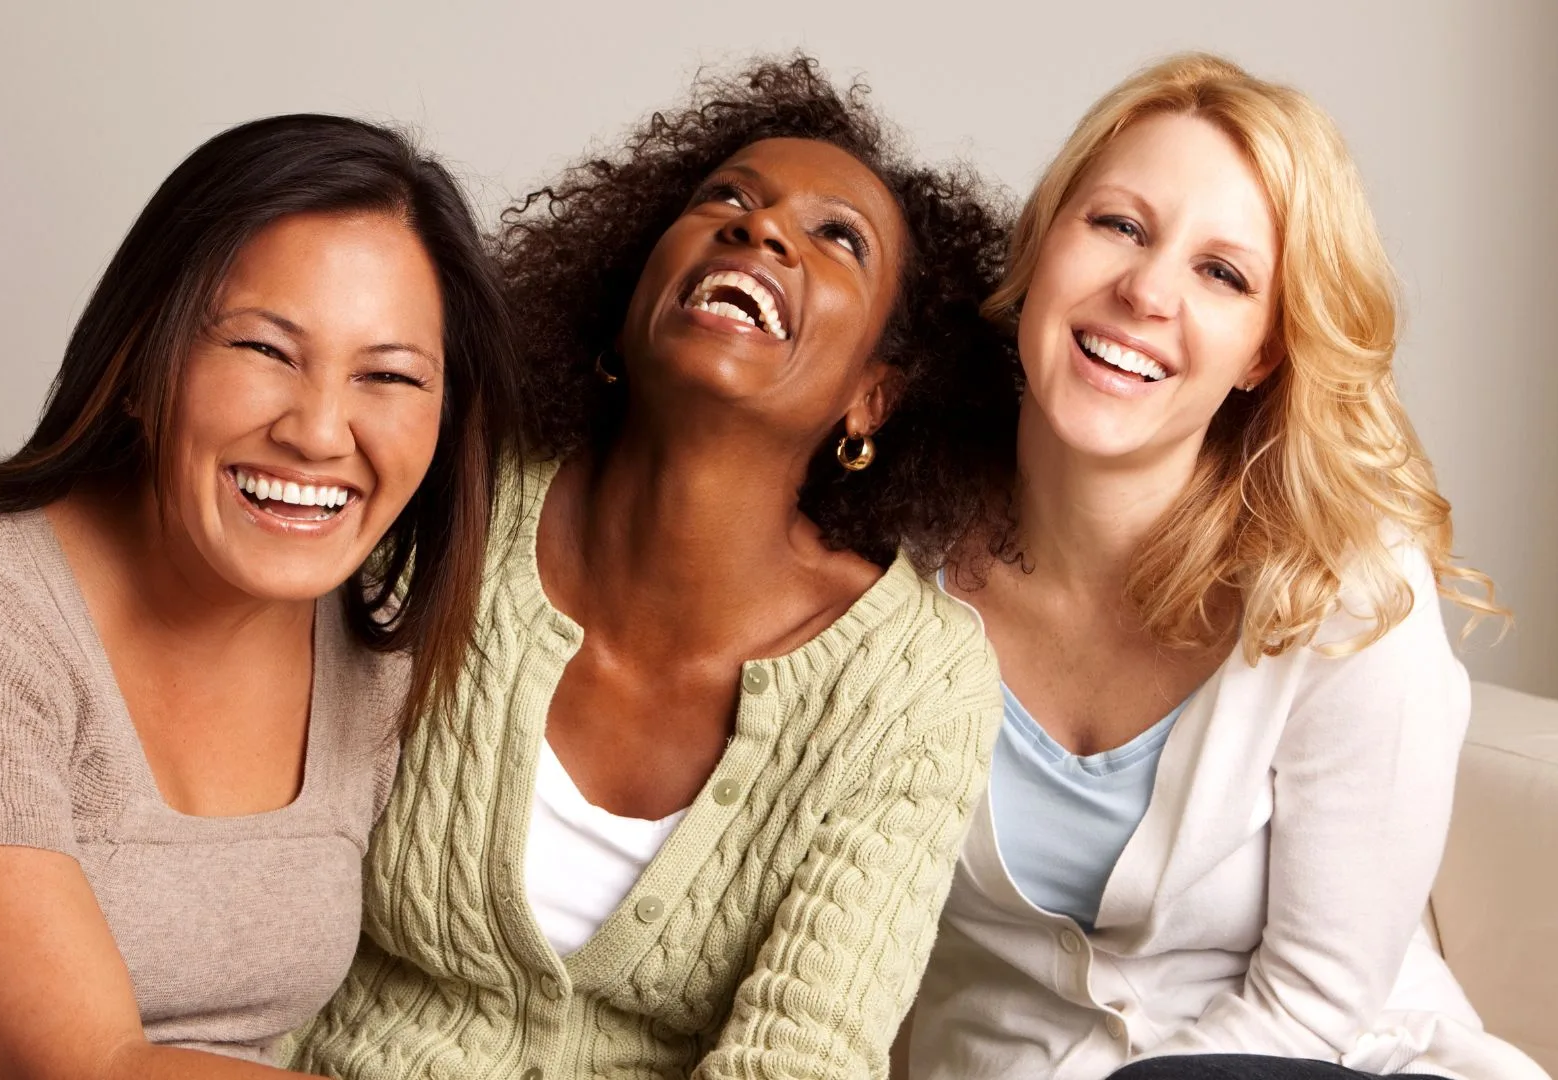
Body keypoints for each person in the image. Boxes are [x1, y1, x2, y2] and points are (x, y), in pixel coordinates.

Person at [0, 114, 521, 1078]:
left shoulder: (376, 657)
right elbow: (83, 1068)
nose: (322, 431)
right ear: (137, 365)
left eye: (389, 375)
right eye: (263, 350)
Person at [284, 56, 1014, 1080]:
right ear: (624, 300)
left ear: (873, 401)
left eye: (835, 236)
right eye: (727, 198)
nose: (761, 230)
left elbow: (802, 1058)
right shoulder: (452, 503)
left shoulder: (913, 681)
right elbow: (262, 897)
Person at [900, 54, 1545, 1080]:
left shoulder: (1345, 585)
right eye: (1119, 224)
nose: (1147, 290)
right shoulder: (896, 554)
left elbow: (1317, 1005)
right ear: (1042, 243)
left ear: (1261, 353)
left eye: (1224, 273)